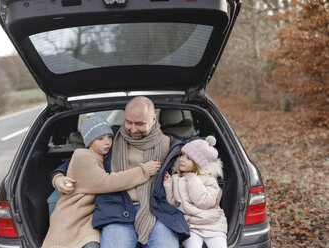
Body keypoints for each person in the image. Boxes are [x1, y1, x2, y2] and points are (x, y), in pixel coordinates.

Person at [52, 96, 190, 248]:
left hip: (157, 211)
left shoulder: (170, 145)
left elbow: (194, 167)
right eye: (128, 122)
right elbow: (82, 160)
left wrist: (216, 188)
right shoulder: (110, 140)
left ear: (153, 119)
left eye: (140, 124)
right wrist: (58, 177)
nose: (132, 129)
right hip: (116, 209)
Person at [42, 115, 161, 248]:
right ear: (89, 142)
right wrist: (144, 171)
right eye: (100, 139)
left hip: (93, 214)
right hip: (75, 217)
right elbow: (107, 182)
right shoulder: (83, 156)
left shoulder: (108, 148)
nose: (107, 142)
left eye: (109, 137)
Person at [163, 136, 228, 248]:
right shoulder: (177, 179)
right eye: (182, 155)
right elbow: (173, 203)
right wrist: (168, 184)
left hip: (212, 225)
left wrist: (193, 181)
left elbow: (206, 202)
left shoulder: (209, 179)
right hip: (191, 226)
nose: (182, 159)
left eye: (188, 158)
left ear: (198, 163)